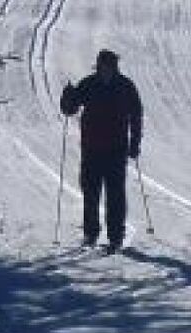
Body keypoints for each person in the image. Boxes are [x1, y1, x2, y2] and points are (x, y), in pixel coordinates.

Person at [59, 48, 144, 250]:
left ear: (115, 67)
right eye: (102, 66)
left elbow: (136, 115)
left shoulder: (125, 86)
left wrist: (134, 143)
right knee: (90, 193)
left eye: (109, 66)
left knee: (115, 196)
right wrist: (67, 97)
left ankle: (116, 237)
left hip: (117, 150)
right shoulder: (88, 84)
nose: (105, 70)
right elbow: (69, 109)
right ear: (98, 66)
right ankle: (90, 234)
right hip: (91, 149)